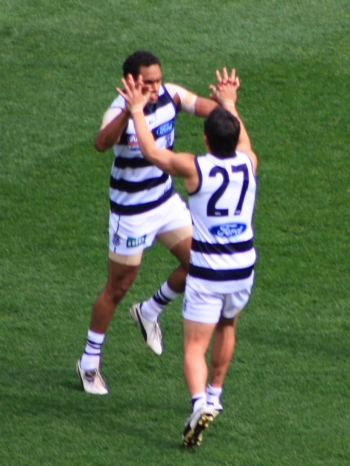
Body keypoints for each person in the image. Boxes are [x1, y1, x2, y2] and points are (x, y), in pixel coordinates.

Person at [118, 68, 258, 446]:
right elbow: (240, 136)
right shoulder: (249, 162)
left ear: (206, 139)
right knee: (228, 327)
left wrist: (134, 110)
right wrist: (229, 102)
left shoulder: (194, 167)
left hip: (208, 270)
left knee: (194, 345)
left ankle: (198, 404)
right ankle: (215, 394)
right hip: (243, 267)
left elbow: (150, 152)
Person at [76, 51, 218, 395]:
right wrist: (129, 109)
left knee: (203, 264)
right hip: (131, 214)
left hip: (166, 202)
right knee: (117, 288)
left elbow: (205, 108)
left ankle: (150, 309)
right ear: (130, 82)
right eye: (146, 82)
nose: (154, 87)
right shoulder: (117, 111)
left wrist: (224, 103)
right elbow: (101, 144)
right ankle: (89, 362)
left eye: (157, 79)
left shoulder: (171, 95)